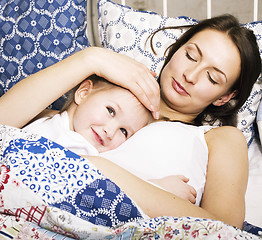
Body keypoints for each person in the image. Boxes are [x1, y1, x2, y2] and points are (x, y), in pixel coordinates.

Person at [0, 14, 261, 229]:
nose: (190, 75)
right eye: (190, 56)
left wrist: (90, 169)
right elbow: (8, 127)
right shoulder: (110, 101)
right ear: (175, 50)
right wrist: (91, 59)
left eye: (212, 78)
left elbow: (223, 230)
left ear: (225, 97)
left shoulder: (219, 139)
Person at [23, 74, 153, 155]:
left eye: (124, 131)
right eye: (111, 111)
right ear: (83, 93)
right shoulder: (37, 117)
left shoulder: (84, 152)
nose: (110, 131)